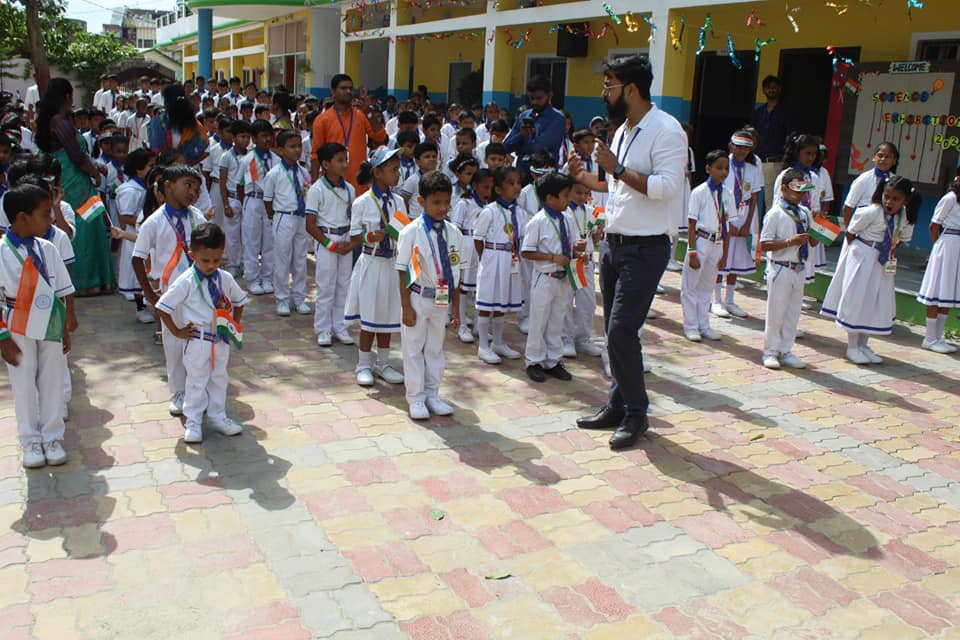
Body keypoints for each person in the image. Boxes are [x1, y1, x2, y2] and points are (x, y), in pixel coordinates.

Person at [570, 55, 686, 450]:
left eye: (609, 85)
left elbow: (667, 187)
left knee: (622, 330)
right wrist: (582, 176)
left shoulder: (667, 131)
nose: (604, 93)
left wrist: (616, 169)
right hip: (615, 244)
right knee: (613, 331)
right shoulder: (622, 130)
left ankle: (637, 413)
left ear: (631, 89)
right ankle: (618, 404)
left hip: (646, 246)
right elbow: (613, 186)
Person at [0, 184, 78, 468]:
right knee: (23, 382)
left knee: (53, 379)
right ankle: (30, 441)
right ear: (22, 218)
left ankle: (52, 436)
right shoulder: (1, 251)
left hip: (50, 323)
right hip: (16, 322)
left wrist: (66, 324)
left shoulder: (48, 248)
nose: (51, 220)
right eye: (45, 214)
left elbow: (63, 288)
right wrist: (3, 337)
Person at [156, 223, 247, 443]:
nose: (211, 265)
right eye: (205, 260)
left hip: (220, 337)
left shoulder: (224, 278)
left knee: (219, 378)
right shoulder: (186, 280)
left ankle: (218, 416)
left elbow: (240, 300)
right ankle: (193, 421)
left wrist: (234, 322)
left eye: (216, 260)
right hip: (197, 338)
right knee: (196, 380)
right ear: (192, 254)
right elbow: (162, 306)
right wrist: (177, 331)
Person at [132, 165, 207, 417]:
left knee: (200, 341)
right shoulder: (153, 222)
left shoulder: (197, 216)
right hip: (170, 293)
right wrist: (151, 296)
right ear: (167, 186)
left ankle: (198, 390)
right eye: (187, 185)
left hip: (199, 291)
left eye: (197, 189)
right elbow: (137, 258)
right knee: (174, 342)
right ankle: (178, 391)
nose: (193, 193)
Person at [821, 175, 919, 365]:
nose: (889, 202)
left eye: (896, 199)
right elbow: (851, 233)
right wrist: (857, 257)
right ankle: (852, 346)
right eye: (887, 196)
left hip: (882, 262)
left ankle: (864, 344)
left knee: (874, 300)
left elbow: (901, 239)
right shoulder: (871, 211)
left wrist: (887, 253)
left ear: (905, 200)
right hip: (864, 256)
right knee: (858, 298)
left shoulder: (904, 217)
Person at [396, 171, 464, 419]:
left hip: (442, 297)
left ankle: (433, 393)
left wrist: (456, 309)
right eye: (436, 202)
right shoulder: (410, 232)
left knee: (435, 347)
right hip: (418, 296)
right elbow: (402, 271)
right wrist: (406, 307)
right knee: (414, 347)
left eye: (447, 202)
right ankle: (415, 398)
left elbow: (457, 272)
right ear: (421, 201)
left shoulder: (453, 233)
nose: (442, 208)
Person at [36, 78, 112, 295]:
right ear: (67, 97)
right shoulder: (60, 121)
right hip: (74, 179)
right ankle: (85, 281)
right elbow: (77, 155)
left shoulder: (47, 120)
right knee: (85, 224)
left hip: (61, 176)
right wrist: (95, 172)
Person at [344, 147, 407, 387]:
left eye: (398, 169)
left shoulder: (399, 201)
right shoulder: (362, 202)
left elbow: (404, 230)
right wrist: (369, 237)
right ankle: (363, 364)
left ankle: (384, 363)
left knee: (388, 313)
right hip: (371, 263)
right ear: (378, 173)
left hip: (391, 263)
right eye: (393, 170)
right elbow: (354, 234)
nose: (397, 174)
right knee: (370, 315)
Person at [521, 171, 584, 382]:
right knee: (539, 319)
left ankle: (553, 360)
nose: (569, 200)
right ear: (550, 198)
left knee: (557, 318)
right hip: (545, 276)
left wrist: (577, 251)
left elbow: (571, 245)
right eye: (565, 195)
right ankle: (534, 360)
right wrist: (551, 257)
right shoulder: (537, 221)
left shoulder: (567, 218)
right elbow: (526, 251)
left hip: (564, 276)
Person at [759, 169, 817, 369]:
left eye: (803, 192)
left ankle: (786, 349)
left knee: (793, 311)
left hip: (799, 267)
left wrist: (820, 232)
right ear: (783, 189)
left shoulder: (805, 213)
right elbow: (764, 244)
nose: (800, 196)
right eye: (796, 191)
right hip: (781, 267)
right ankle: (770, 351)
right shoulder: (775, 214)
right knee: (776, 311)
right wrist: (789, 242)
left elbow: (814, 241)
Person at [306, 142, 357, 347]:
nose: (344, 164)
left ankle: (340, 326)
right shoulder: (316, 190)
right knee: (326, 286)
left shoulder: (350, 189)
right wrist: (330, 244)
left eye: (345, 160)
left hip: (345, 239)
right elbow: (310, 225)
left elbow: (353, 217)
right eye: (339, 160)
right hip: (327, 240)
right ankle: (323, 328)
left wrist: (350, 243)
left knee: (343, 285)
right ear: (325, 164)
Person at [473, 166, 525, 364]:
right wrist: (486, 259)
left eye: (518, 183)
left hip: (510, 258)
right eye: (510, 183)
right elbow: (478, 239)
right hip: (493, 258)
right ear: (498, 189)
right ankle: (483, 345)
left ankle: (499, 342)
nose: (516, 187)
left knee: (501, 301)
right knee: (487, 301)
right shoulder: (490, 211)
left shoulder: (518, 212)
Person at [682, 150, 732, 342]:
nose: (723, 172)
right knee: (690, 286)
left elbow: (727, 224)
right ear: (708, 168)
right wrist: (692, 251)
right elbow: (692, 223)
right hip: (701, 240)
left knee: (707, 286)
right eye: (719, 168)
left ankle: (704, 324)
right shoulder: (699, 192)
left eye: (726, 168)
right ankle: (691, 325)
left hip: (718, 242)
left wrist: (725, 254)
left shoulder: (727, 194)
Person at [263, 131, 312, 317]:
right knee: (282, 259)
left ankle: (299, 298)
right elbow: (268, 199)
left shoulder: (303, 172)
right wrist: (273, 218)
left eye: (299, 146)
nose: (297, 150)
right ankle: (282, 299)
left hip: (300, 217)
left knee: (300, 258)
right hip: (283, 216)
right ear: (281, 150)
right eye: (292, 147)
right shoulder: (274, 173)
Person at [311, 74, 387, 190]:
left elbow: (380, 137)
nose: (348, 91)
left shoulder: (361, 115)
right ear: (333, 92)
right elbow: (316, 154)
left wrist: (368, 111)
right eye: (343, 88)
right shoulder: (322, 120)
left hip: (359, 182)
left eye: (351, 88)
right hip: (332, 184)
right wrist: (315, 182)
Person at [716, 131, 762, 318]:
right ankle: (716, 300)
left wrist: (747, 224)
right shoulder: (723, 164)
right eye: (738, 146)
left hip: (742, 216)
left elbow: (754, 197)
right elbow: (717, 193)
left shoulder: (752, 168)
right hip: (725, 215)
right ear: (731, 146)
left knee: (735, 260)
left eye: (746, 147)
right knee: (722, 257)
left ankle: (730, 299)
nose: (742, 150)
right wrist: (726, 222)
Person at [450, 168, 492, 343]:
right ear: (474, 186)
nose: (487, 192)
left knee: (479, 288)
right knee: (462, 289)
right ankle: (461, 325)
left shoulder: (489, 207)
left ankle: (476, 323)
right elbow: (455, 228)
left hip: (482, 248)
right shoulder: (464, 203)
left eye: (490, 188)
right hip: (466, 247)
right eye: (484, 187)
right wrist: (456, 252)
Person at [918, 177, 960, 353]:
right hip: (947, 243)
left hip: (957, 247)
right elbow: (934, 225)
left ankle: (938, 336)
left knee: (947, 291)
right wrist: (937, 248)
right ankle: (929, 337)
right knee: (937, 289)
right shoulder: (950, 198)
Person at [562, 181, 604, 357]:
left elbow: (593, 240)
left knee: (587, 303)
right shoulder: (564, 212)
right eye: (578, 193)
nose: (582, 197)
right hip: (570, 262)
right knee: (566, 302)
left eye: (586, 193)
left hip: (586, 263)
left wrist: (598, 231)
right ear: (569, 191)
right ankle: (566, 339)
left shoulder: (590, 211)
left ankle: (584, 339)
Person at [115, 148, 157, 324]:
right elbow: (125, 216)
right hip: (136, 235)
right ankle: (141, 308)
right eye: (150, 166)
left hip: (146, 234)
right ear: (139, 169)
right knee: (137, 274)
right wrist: (146, 223)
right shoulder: (129, 190)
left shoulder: (148, 187)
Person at [241, 119, 279, 296]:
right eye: (263, 136)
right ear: (254, 139)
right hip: (254, 199)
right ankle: (252, 279)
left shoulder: (277, 160)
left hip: (271, 203)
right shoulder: (248, 160)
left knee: (270, 241)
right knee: (252, 241)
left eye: (269, 136)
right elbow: (243, 184)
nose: (267, 140)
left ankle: (267, 277)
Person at [503, 75, 567, 177]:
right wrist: (521, 136)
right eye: (531, 98)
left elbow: (538, 148)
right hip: (521, 174)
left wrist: (519, 148)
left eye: (539, 98)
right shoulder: (524, 115)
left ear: (550, 95)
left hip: (544, 176)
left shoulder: (557, 118)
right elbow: (505, 147)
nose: (535, 102)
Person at [751, 75, 793, 201]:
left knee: (771, 200)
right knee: (751, 197)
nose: (771, 90)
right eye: (768, 88)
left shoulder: (785, 112)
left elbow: (790, 136)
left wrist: (785, 160)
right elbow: (753, 134)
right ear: (764, 90)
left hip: (774, 162)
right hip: (757, 160)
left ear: (779, 89)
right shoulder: (759, 112)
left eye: (774, 87)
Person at [219, 119, 251, 277]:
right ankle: (233, 264)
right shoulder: (226, 157)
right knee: (232, 235)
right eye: (242, 137)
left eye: (247, 137)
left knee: (247, 234)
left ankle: (246, 263)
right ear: (234, 138)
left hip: (247, 198)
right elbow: (223, 182)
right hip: (232, 198)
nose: (245, 140)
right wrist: (226, 204)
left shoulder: (251, 156)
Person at [148, 83, 209, 166]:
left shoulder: (194, 124)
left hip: (185, 171)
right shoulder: (158, 123)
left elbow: (205, 149)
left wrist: (187, 165)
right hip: (168, 169)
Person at [842, 142, 898, 226]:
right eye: (880, 155)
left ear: (894, 161)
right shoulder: (863, 179)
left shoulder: (896, 181)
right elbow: (848, 207)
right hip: (861, 228)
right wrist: (849, 232)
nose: (883, 159)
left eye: (888, 157)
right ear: (874, 158)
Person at [400, 142, 438, 219]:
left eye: (434, 156)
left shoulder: (440, 179)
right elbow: (404, 200)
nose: (431, 159)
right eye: (427, 157)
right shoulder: (413, 180)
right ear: (417, 161)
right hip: (415, 219)